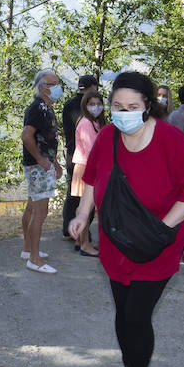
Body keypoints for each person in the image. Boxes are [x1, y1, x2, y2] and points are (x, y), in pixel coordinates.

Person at [68, 71, 184, 367]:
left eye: (132, 106)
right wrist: (83, 217)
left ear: (148, 106)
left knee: (137, 316)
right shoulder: (108, 137)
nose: (123, 111)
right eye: (117, 105)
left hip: (158, 245)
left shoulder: (171, 139)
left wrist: (162, 229)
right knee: (122, 312)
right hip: (117, 242)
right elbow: (92, 180)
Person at [20, 70, 64, 273]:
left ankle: (28, 250)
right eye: (53, 84)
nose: (57, 87)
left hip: (43, 165)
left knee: (32, 208)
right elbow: (26, 136)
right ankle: (35, 260)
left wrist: (54, 162)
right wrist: (40, 159)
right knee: (40, 213)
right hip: (37, 167)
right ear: (41, 87)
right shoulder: (37, 108)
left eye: (58, 83)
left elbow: (47, 139)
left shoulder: (46, 108)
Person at [62, 75, 101, 241]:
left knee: (73, 195)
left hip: (72, 154)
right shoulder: (86, 110)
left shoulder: (68, 105)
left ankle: (68, 229)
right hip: (86, 158)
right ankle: (83, 234)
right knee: (87, 197)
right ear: (91, 87)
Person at [69, 89, 106, 257]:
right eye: (92, 104)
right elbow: (93, 151)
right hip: (87, 167)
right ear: (85, 105)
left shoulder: (95, 123)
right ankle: (85, 244)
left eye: (99, 104)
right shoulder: (86, 123)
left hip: (89, 166)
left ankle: (80, 240)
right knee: (86, 208)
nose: (96, 107)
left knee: (85, 207)